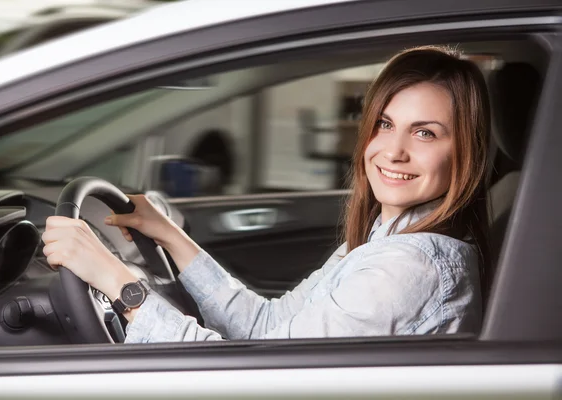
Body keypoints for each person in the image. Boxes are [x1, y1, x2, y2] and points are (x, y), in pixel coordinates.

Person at [42, 45, 492, 342]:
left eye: (426, 134)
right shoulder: (388, 237)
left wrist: (117, 283)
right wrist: (169, 236)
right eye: (386, 124)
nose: (392, 151)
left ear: (465, 152)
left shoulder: (410, 268)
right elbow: (269, 329)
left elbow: (245, 379)